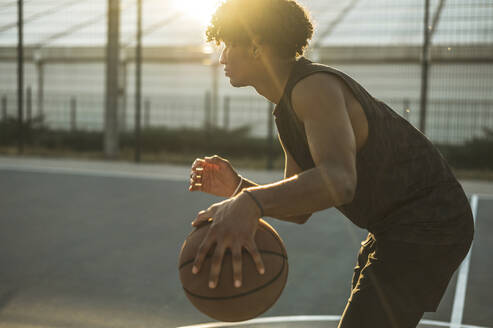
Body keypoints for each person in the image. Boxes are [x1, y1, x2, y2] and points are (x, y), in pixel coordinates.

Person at [188, 0, 474, 327]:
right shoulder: (287, 109)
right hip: (395, 227)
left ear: (256, 46)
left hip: (430, 222)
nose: (222, 56)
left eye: (228, 44)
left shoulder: (313, 88)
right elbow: (299, 209)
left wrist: (248, 202)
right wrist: (238, 188)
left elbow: (339, 181)